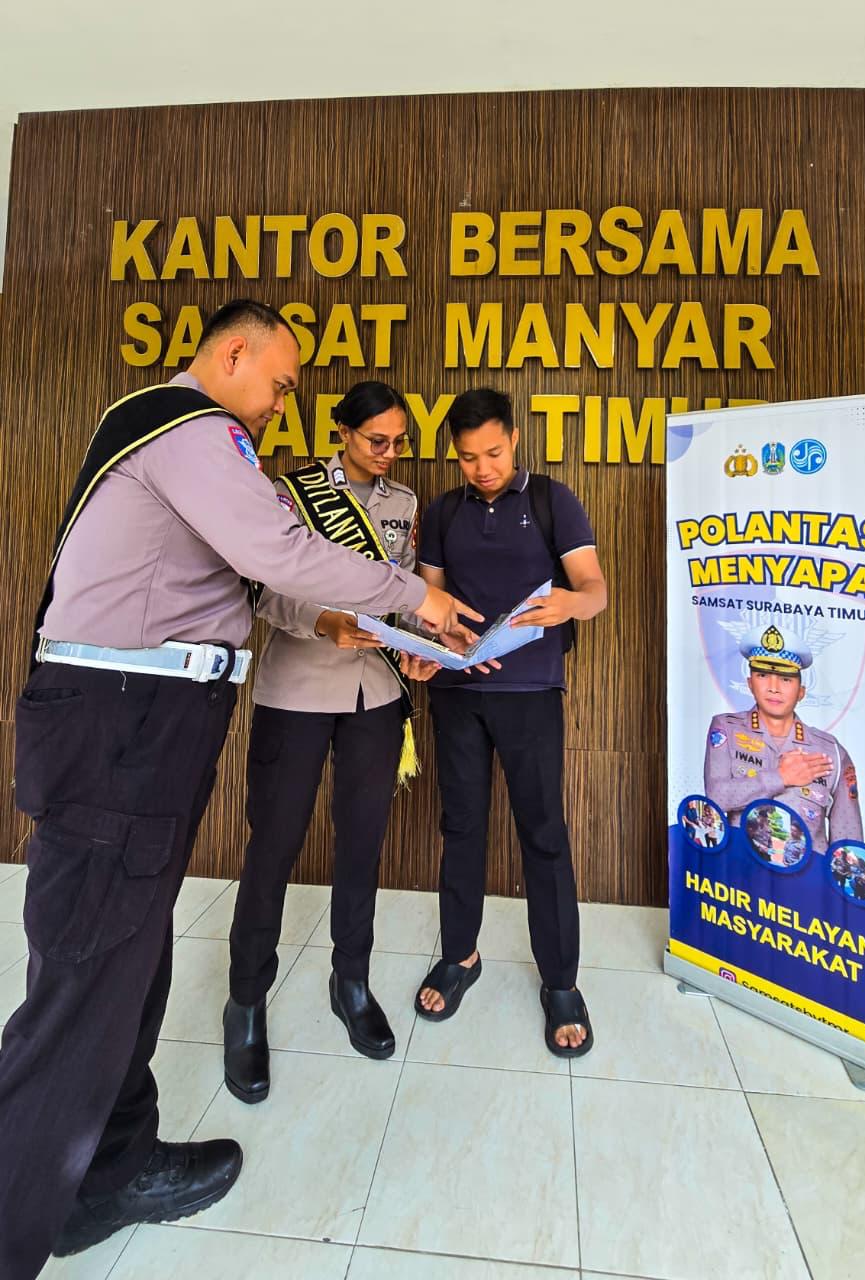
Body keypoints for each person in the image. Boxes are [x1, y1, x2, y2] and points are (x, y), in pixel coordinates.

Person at [0, 300, 476, 1280]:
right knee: (86, 976)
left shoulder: (181, 443)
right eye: (280, 383)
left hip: (145, 723)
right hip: (123, 723)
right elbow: (278, 554)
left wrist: (357, 620)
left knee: (130, 957)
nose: (278, 404)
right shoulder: (191, 428)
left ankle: (112, 1168)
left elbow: (251, 584)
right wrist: (414, 595)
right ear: (232, 352)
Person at [224, 380, 442, 1095]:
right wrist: (323, 621)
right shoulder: (290, 495)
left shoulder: (405, 504)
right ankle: (245, 1000)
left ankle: (351, 980)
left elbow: (403, 592)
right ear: (342, 432)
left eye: (399, 442)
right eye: (376, 440)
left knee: (362, 843)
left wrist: (420, 645)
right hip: (296, 692)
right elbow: (262, 589)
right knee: (274, 846)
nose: (388, 453)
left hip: (374, 695)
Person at [412, 388, 607, 1057]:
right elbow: (429, 602)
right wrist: (434, 643)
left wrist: (569, 605)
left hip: (531, 693)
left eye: (493, 453)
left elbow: (595, 589)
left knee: (544, 834)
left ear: (514, 439)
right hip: (458, 692)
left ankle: (561, 983)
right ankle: (459, 955)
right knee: (461, 827)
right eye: (469, 458)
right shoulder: (443, 511)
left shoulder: (552, 500)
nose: (483, 468)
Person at [703, 624, 863, 853]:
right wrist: (780, 777)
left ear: (801, 691)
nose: (774, 688)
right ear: (750, 683)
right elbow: (715, 798)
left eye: (785, 679)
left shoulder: (831, 751)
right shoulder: (727, 730)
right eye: (763, 675)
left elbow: (848, 841)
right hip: (742, 871)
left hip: (808, 873)